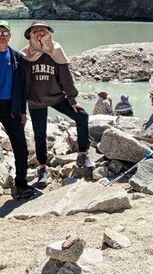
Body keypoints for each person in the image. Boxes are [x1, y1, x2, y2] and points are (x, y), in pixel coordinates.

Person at [22, 21, 94, 188]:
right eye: (35, 31)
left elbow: (65, 77)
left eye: (42, 30)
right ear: (31, 35)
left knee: (82, 116)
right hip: (36, 100)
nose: (39, 34)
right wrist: (20, 108)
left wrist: (72, 99)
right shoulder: (25, 55)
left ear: (48, 33)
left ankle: (82, 154)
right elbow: (21, 82)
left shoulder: (56, 51)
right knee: (40, 134)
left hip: (56, 97)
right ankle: (42, 167)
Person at [0, 21, 34, 200]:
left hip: (12, 107)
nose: (2, 36)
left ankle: (21, 184)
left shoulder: (17, 57)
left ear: (10, 36)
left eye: (5, 33)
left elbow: (22, 85)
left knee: (20, 146)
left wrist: (23, 111)